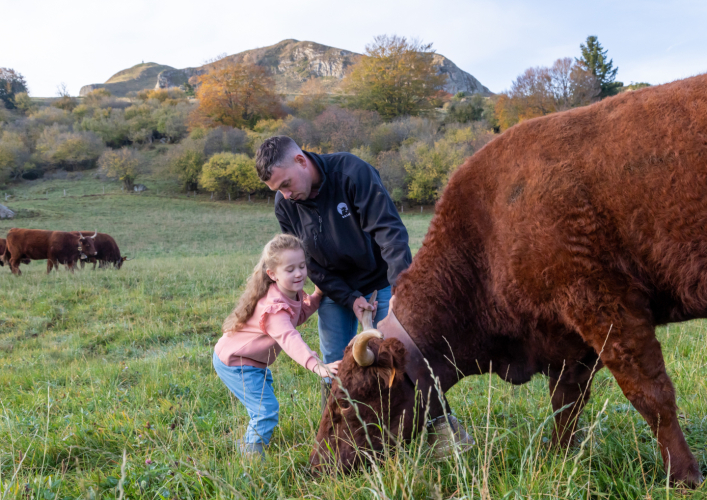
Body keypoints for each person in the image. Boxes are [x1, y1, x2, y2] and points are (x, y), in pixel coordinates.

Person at [255, 136, 411, 403]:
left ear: (301, 161)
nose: (286, 195)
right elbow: (308, 263)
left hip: (380, 282)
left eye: (286, 184)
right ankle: (340, 430)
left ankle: (418, 422)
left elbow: (390, 233)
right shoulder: (285, 205)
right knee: (335, 367)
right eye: (278, 190)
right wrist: (349, 298)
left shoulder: (352, 173)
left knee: (393, 355)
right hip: (332, 289)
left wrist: (402, 289)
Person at [213, 234, 340, 459]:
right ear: (272, 274)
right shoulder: (273, 307)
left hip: (252, 361)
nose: (299, 273)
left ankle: (247, 444)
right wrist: (318, 365)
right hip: (235, 362)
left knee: (262, 407)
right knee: (265, 411)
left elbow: (296, 316)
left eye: (302, 266)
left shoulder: (289, 292)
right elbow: (289, 337)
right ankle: (251, 461)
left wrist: (317, 297)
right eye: (290, 269)